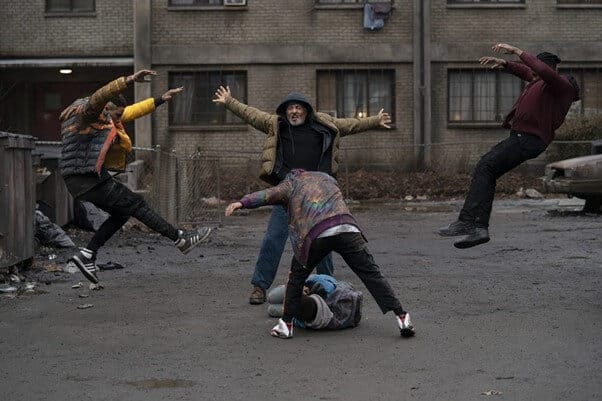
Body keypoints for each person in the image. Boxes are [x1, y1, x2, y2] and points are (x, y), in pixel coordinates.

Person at [213, 86, 392, 304]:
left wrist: (375, 120)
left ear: (306, 110)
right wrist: (229, 102)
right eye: (290, 108)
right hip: (287, 194)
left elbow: (351, 124)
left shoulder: (324, 124)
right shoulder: (275, 125)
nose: (294, 111)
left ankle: (327, 286)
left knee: (322, 241)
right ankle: (259, 286)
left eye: (298, 108)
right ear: (285, 111)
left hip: (317, 198)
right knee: (273, 239)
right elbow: (252, 115)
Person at [59, 69, 211, 284]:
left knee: (122, 212)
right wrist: (129, 80)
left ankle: (87, 255)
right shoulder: (89, 111)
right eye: (117, 116)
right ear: (106, 107)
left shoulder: (102, 115)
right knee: (136, 204)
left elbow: (131, 111)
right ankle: (180, 239)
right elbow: (101, 95)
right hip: (86, 178)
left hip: (82, 178)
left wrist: (160, 99)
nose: (120, 120)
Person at [225, 169, 414, 340]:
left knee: (296, 277)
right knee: (372, 274)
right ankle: (402, 316)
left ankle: (286, 325)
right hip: (346, 227)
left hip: (316, 233)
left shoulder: (291, 183)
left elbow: (267, 195)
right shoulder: (327, 178)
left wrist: (241, 203)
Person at [438, 43, 580, 249]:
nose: (531, 74)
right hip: (522, 137)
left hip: (529, 139)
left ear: (546, 69)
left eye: (535, 70)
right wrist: (505, 63)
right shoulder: (538, 81)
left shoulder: (561, 85)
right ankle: (477, 227)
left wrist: (517, 51)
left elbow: (539, 70)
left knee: (486, 166)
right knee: (487, 169)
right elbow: (527, 72)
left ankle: (470, 223)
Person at [266, 274, 363, 331]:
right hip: (316, 291)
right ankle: (292, 293)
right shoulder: (327, 289)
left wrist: (294, 286)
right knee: (272, 299)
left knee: (271, 308)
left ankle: (291, 294)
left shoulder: (305, 322)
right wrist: (302, 285)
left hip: (308, 308)